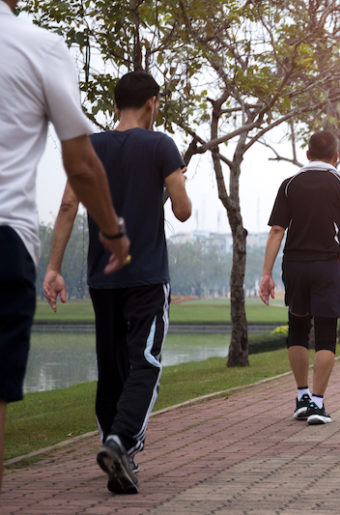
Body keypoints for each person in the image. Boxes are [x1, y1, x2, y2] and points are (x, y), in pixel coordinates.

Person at [0, 0, 130, 491]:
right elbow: (79, 168)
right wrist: (114, 235)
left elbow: (70, 197)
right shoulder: (39, 47)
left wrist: (56, 264)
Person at [43, 71, 191, 494]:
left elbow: (70, 203)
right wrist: (171, 186)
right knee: (145, 363)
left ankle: (118, 461)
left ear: (115, 104)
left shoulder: (91, 146)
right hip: (146, 276)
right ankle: (121, 441)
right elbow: (182, 210)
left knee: (112, 368)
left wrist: (52, 269)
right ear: (152, 103)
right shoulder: (162, 145)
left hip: (101, 280)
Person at [259, 130, 340, 427]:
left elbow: (276, 231)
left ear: (307, 155)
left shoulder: (290, 185)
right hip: (328, 266)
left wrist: (266, 273)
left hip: (294, 265)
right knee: (326, 334)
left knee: (297, 327)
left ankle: (301, 396)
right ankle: (318, 404)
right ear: (336, 158)